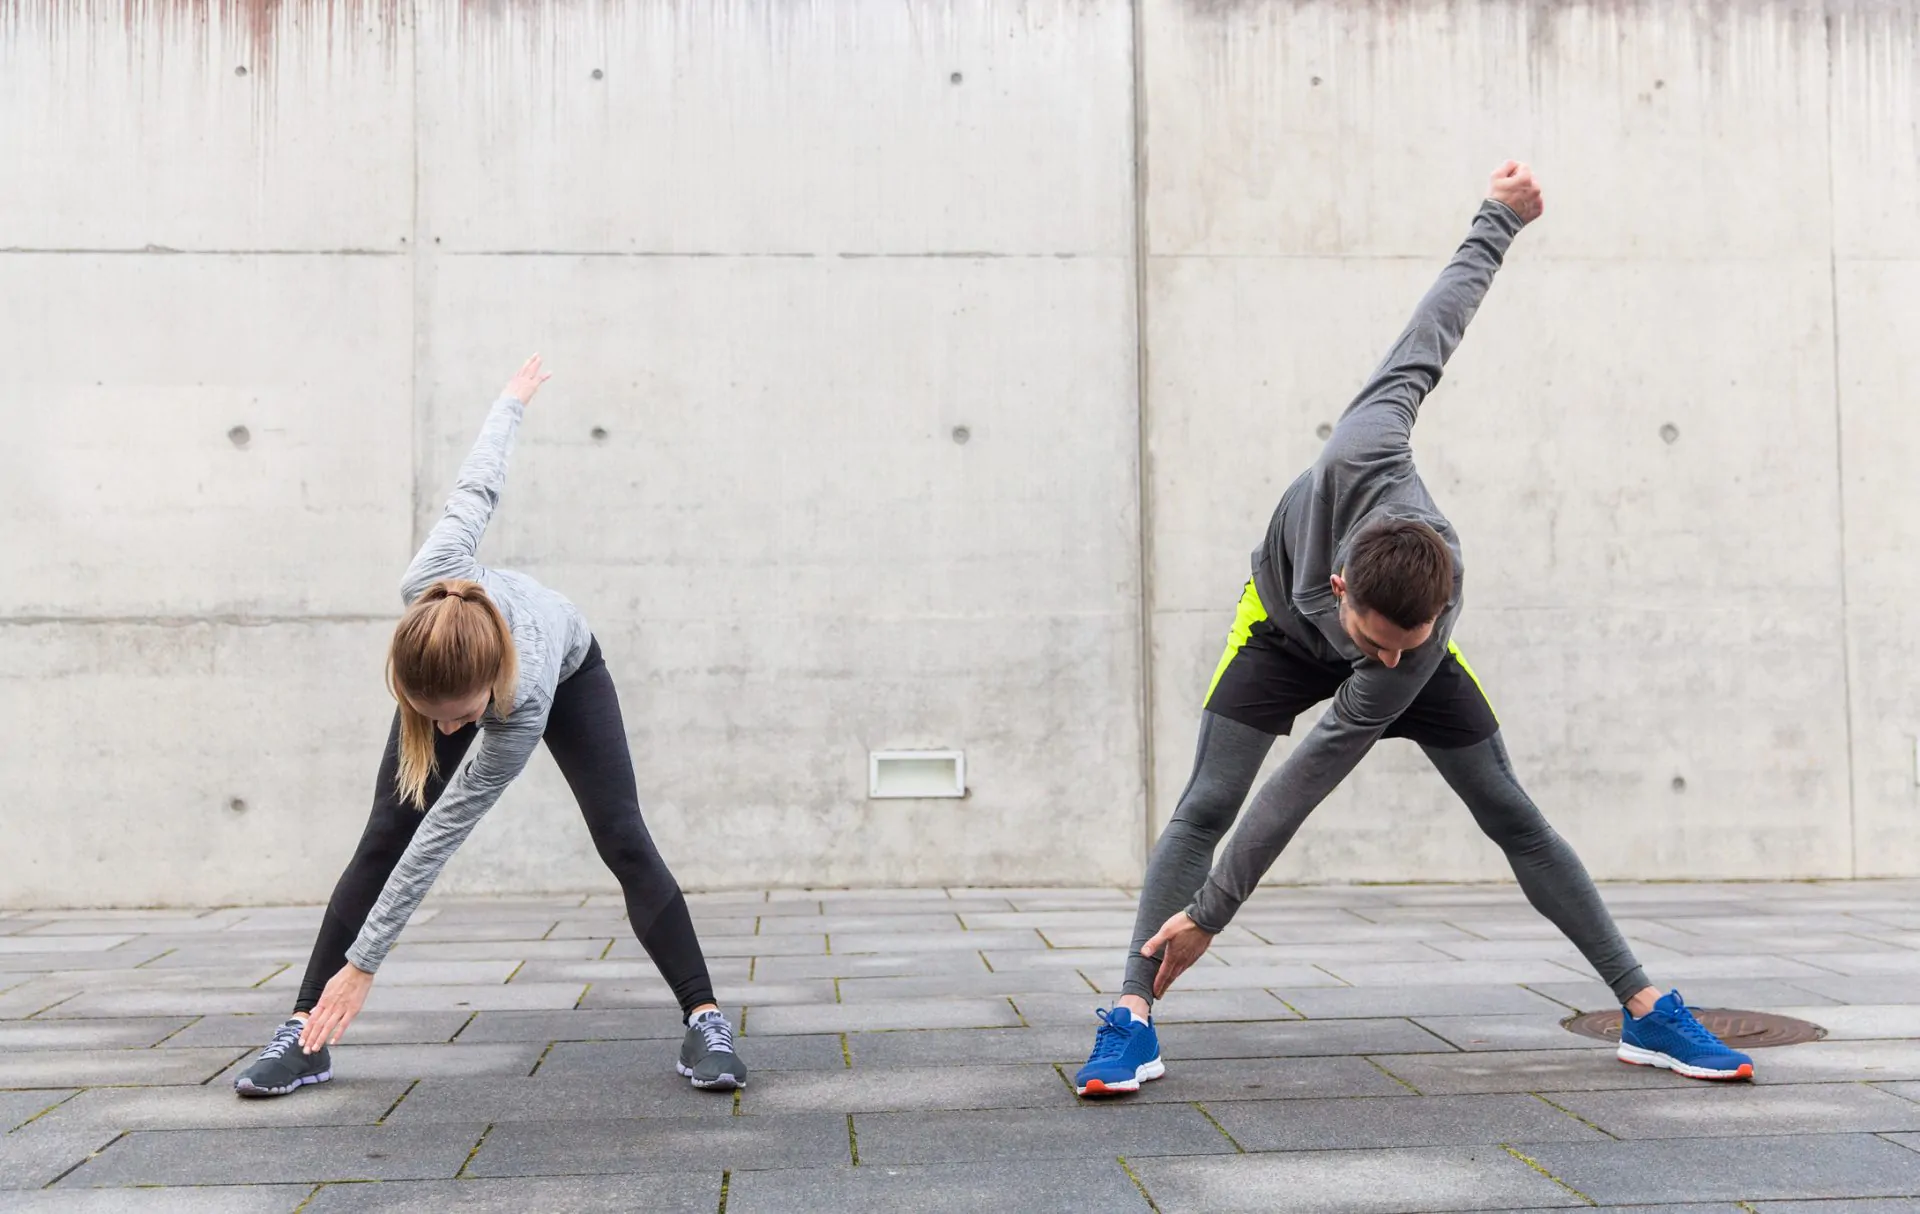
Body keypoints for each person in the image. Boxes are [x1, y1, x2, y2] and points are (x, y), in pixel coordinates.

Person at [1074, 163, 1754, 1096]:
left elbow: (1312, 774)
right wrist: (1497, 218)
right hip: (1278, 629)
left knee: (1510, 811)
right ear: (1342, 586)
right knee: (1207, 804)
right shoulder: (1364, 442)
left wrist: (1213, 912)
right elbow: (1435, 326)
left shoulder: (1420, 630)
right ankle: (1131, 1015)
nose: (1388, 660)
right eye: (1378, 642)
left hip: (1379, 631)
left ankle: (1645, 1010)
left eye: (1410, 642)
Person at [234, 356, 746, 1097]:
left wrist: (364, 963)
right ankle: (303, 1034)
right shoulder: (430, 580)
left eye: (463, 720)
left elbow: (443, 836)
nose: (449, 734)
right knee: (384, 833)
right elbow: (477, 486)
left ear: (490, 692)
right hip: (467, 661)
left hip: (570, 667)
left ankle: (705, 1019)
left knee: (623, 837)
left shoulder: (523, 698)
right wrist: (510, 402)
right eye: (430, 717)